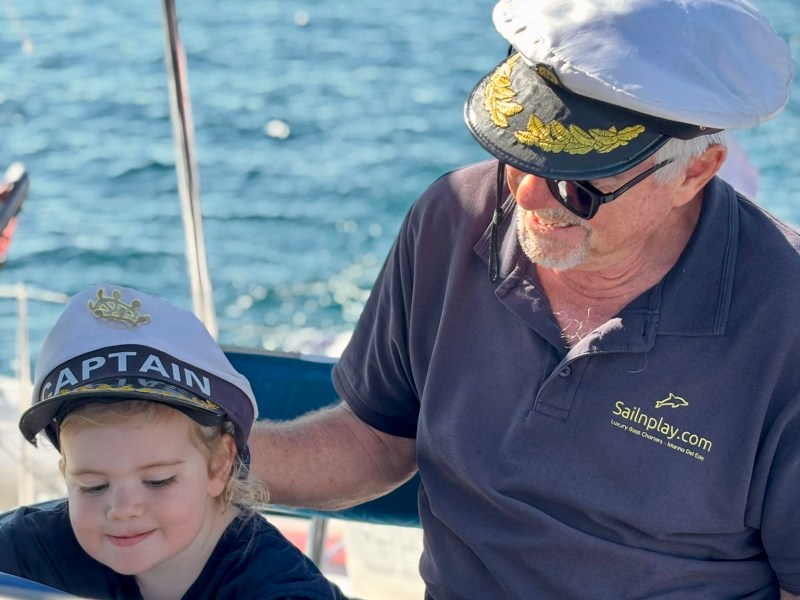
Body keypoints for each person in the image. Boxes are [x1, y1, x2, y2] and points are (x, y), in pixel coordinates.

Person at [247, 0, 800, 598]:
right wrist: (207, 459)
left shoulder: (786, 321)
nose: (529, 198)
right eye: (517, 154)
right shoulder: (452, 216)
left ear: (695, 173)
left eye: (578, 184)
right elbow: (378, 438)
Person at [0, 283, 346, 600]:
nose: (122, 509)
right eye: (92, 485)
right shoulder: (33, 551)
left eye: (158, 481)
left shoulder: (281, 591)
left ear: (219, 465)